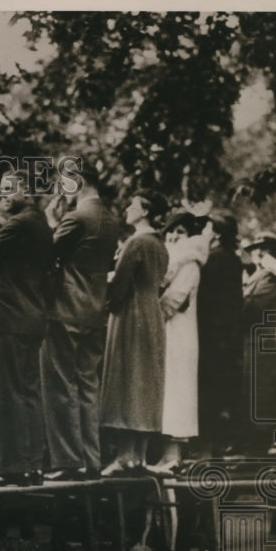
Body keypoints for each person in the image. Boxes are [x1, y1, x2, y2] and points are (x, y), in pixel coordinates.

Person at [40, 165, 121, 481]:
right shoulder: (111, 220)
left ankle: (67, 461)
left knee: (60, 385)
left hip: (66, 310)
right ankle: (91, 458)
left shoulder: (76, 218)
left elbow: (47, 254)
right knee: (88, 386)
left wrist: (51, 221)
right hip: (95, 310)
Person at [0, 174, 53, 486]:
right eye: (3, 191)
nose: (5, 196)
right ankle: (32, 463)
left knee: (5, 392)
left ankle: (10, 467)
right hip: (34, 315)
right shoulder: (42, 224)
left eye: (11, 189)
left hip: (8, 316)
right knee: (29, 392)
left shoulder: (14, 226)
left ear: (27, 190)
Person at [99, 190, 169, 475]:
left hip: (131, 314)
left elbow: (120, 285)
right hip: (152, 314)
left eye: (134, 205)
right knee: (145, 381)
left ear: (145, 211)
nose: (128, 208)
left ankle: (126, 455)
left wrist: (106, 299)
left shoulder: (136, 243)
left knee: (128, 380)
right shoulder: (159, 245)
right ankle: (138, 455)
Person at [149, 211, 211, 474]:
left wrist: (150, 314)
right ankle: (166, 453)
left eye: (180, 232)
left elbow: (175, 300)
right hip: (168, 333)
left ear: (190, 236)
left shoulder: (190, 263)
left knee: (177, 391)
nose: (174, 236)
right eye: (171, 231)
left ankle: (173, 453)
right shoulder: (171, 260)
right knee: (167, 390)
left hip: (179, 333)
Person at [195, 210, 244, 458]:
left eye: (207, 228)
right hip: (226, 337)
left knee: (208, 394)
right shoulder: (233, 259)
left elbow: (205, 300)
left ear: (215, 233)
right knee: (219, 394)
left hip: (211, 337)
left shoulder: (215, 259)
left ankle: (206, 453)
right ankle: (215, 449)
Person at [239, 232, 276, 456]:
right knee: (254, 391)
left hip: (265, 340)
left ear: (275, 253)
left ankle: (267, 442)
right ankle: (258, 443)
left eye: (265, 248)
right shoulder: (256, 275)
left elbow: (255, 305)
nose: (259, 252)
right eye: (256, 248)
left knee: (265, 391)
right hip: (253, 341)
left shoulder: (273, 277)